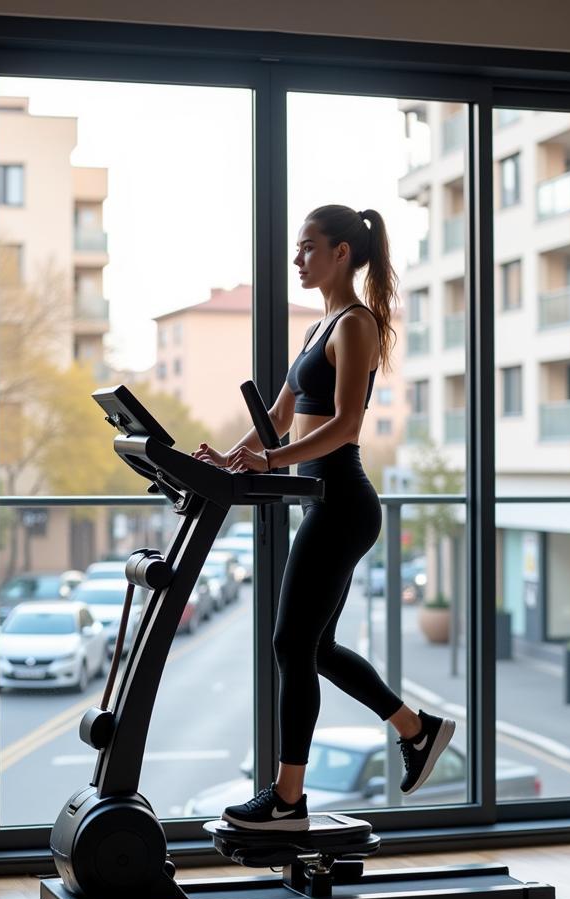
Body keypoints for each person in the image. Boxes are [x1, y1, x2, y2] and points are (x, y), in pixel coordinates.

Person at [192, 205, 455, 831]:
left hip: (341, 500)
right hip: (321, 499)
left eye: (308, 247)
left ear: (341, 253)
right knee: (317, 646)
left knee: (291, 643)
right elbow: (280, 418)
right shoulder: (318, 327)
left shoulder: (357, 324)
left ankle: (287, 800)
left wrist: (272, 462)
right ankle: (418, 730)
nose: (297, 259)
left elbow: (345, 427)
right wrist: (231, 459)